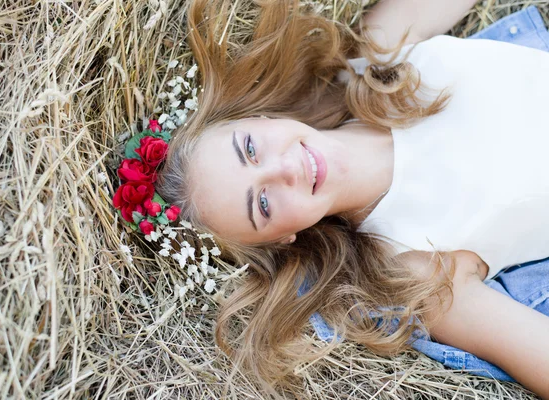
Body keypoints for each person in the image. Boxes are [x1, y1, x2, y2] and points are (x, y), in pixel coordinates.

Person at [155, 0, 549, 396]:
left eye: (251, 149)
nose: (285, 170)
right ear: (281, 238)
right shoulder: (412, 264)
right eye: (263, 204)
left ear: (257, 120)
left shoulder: (372, 58)